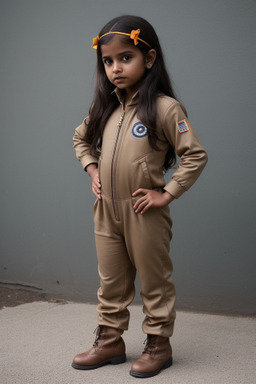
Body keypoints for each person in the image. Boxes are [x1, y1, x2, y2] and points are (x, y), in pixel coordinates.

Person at [72, 15, 208, 378]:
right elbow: (80, 140)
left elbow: (195, 154)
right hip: (106, 211)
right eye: (107, 61)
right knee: (111, 281)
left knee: (154, 280)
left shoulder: (165, 108)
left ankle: (159, 345)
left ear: (148, 59)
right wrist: (93, 169)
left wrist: (167, 192)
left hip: (142, 211)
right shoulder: (105, 107)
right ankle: (110, 340)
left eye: (125, 57)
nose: (115, 68)